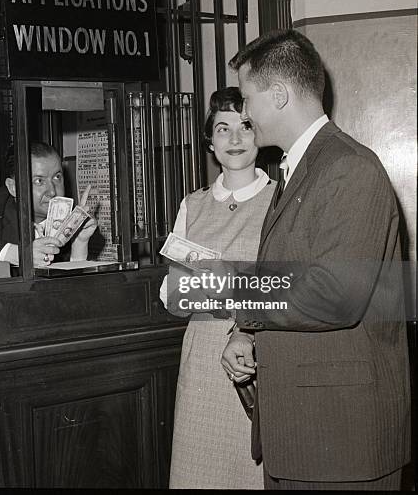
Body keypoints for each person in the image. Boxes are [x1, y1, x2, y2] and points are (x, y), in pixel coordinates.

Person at [221, 29, 411, 489]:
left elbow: (334, 294)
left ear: (280, 95)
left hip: (339, 442)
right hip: (301, 438)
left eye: (247, 99)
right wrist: (244, 332)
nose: (245, 114)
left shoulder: (348, 168)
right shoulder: (300, 168)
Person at [161, 87, 276, 489]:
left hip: (258, 349)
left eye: (245, 126)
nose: (236, 138)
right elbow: (171, 293)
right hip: (203, 352)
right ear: (210, 142)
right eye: (223, 129)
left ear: (260, 133)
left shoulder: (279, 199)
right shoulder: (192, 205)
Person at [0, 142, 97, 267]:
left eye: (57, 177)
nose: (52, 192)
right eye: (39, 181)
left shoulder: (71, 218)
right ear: (13, 187)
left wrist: (79, 244)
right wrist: (19, 254)